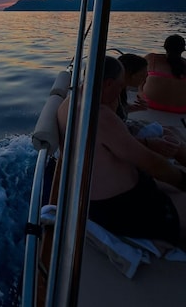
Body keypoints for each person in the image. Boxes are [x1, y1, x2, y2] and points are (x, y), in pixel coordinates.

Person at [57, 56, 186, 246]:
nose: (121, 90)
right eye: (120, 85)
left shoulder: (70, 102)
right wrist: (183, 180)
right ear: (108, 84)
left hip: (101, 198)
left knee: (173, 190)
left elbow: (114, 146)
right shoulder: (100, 116)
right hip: (121, 209)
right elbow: (152, 163)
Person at [140, 34, 186, 113]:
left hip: (151, 104)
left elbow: (137, 73)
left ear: (165, 47)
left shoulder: (152, 58)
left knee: (142, 77)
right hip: (182, 109)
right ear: (183, 50)